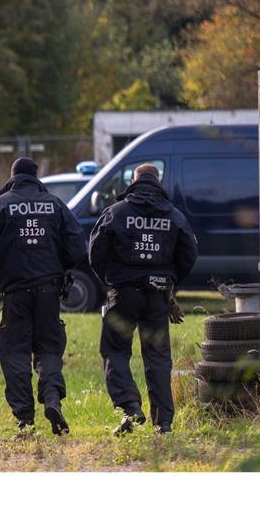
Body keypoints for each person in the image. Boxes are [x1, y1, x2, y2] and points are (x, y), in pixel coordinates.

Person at [0, 157, 86, 437]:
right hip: (49, 290)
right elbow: (77, 248)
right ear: (36, 177)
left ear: (13, 177)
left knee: (15, 351)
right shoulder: (55, 204)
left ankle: (25, 418)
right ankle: (52, 398)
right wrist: (58, 266)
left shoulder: (0, 205)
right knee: (49, 347)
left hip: (15, 291)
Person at [88, 164, 196, 436]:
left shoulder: (116, 212)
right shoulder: (174, 215)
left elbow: (95, 252)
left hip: (124, 294)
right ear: (158, 182)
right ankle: (164, 422)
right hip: (157, 296)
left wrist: (111, 280)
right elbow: (188, 255)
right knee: (158, 358)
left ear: (134, 181)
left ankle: (130, 406)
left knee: (115, 350)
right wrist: (169, 283)